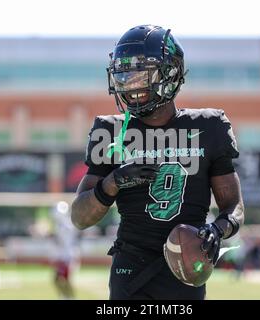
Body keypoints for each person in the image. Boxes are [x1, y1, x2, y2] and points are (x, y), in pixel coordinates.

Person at [71, 25, 245, 300]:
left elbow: (234, 207)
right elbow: (79, 217)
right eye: (125, 75)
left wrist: (216, 230)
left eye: (142, 74)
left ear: (171, 73)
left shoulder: (209, 127)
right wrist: (112, 183)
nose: (131, 84)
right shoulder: (111, 131)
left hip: (187, 268)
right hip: (129, 269)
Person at [51, 201, 80, 299]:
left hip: (68, 257)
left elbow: (66, 241)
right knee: (58, 279)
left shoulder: (66, 225)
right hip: (64, 256)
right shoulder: (61, 225)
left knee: (63, 279)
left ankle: (69, 297)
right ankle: (66, 297)